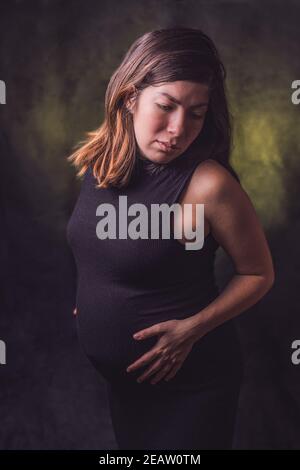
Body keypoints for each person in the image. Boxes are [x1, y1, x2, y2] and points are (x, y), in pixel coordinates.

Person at [66, 27, 275, 450]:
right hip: (127, 388)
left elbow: (258, 273)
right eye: (166, 106)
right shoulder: (100, 162)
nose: (178, 129)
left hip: (193, 385)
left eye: (196, 113)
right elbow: (94, 243)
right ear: (130, 97)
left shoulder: (210, 184)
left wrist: (192, 330)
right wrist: (91, 297)